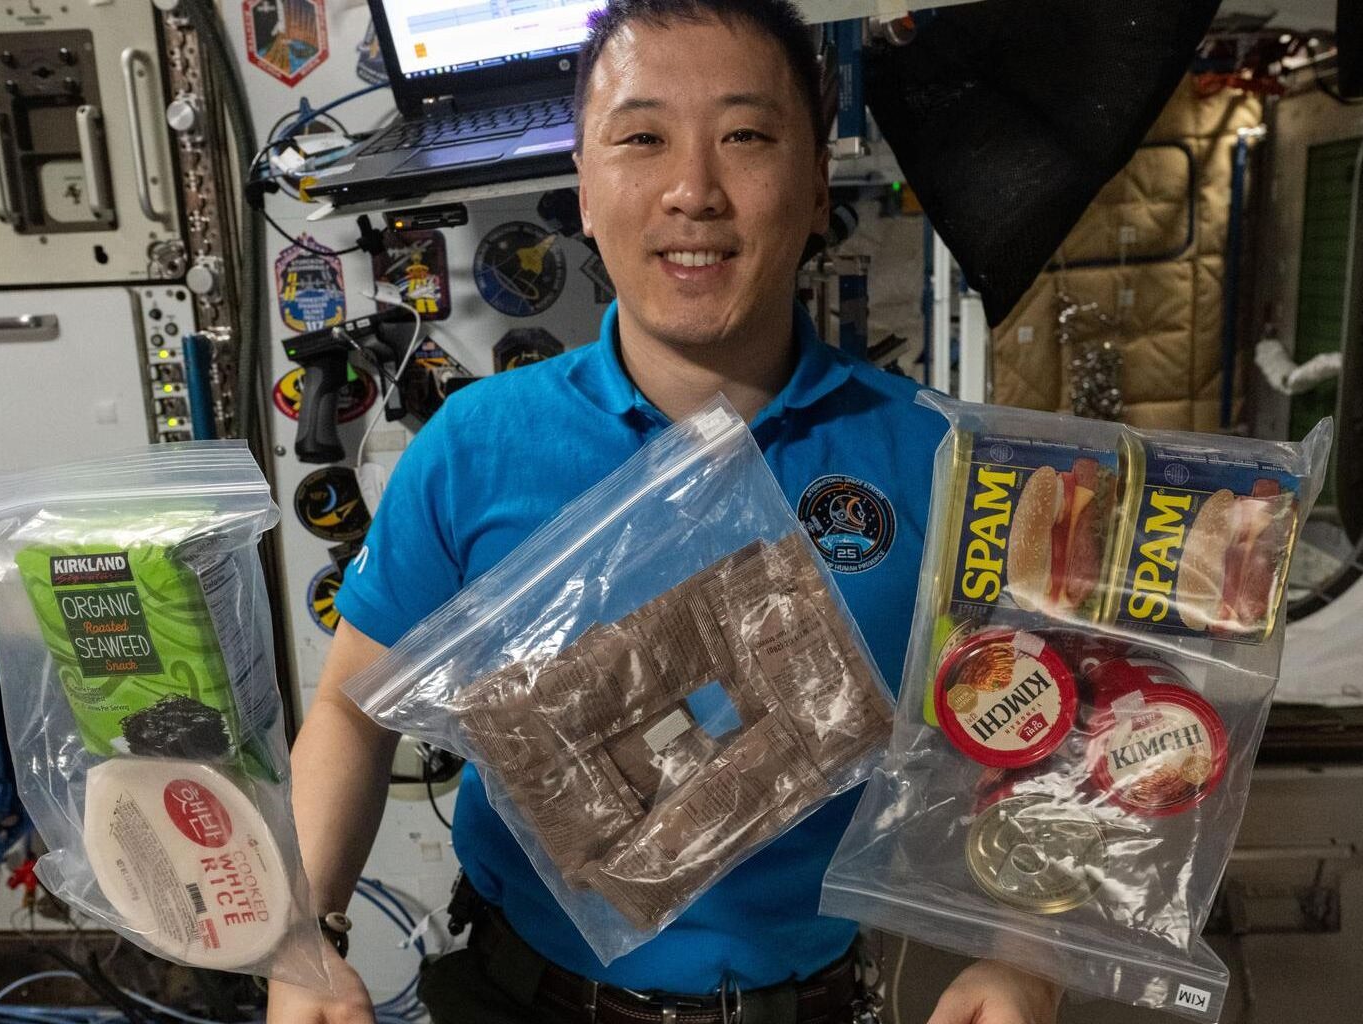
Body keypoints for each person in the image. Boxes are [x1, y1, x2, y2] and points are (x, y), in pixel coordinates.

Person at [268, 1, 1061, 1022]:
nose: (694, 190)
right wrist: (305, 936)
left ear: (818, 187)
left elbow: (1041, 735)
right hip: (524, 996)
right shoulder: (476, 447)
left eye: (745, 136)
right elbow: (347, 709)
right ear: (585, 192)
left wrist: (1026, 955)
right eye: (641, 138)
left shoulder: (939, 459)